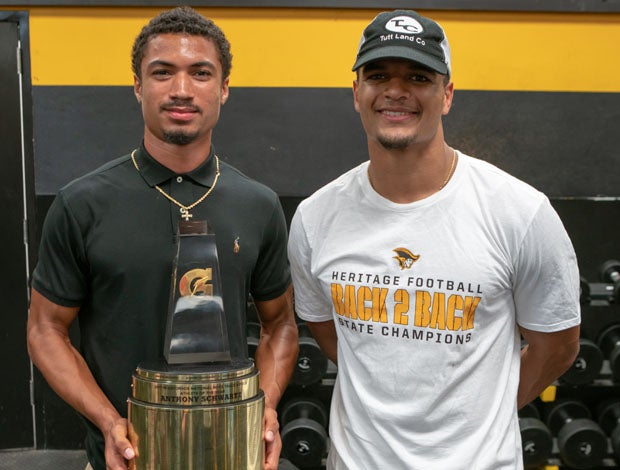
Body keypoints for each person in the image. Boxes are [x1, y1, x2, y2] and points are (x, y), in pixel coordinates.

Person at [287, 9, 580, 469]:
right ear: (356, 92)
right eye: (378, 74)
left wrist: (485, 414)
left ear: (447, 95)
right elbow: (328, 331)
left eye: (419, 77)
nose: (395, 91)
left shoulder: (520, 213)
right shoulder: (315, 218)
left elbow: (558, 345)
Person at [26, 7, 298, 470]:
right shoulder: (82, 204)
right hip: (126, 459)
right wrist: (108, 421)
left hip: (232, 457)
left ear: (224, 88)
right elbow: (45, 329)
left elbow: (281, 326)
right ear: (137, 86)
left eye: (201, 73)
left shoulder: (259, 205)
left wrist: (264, 410)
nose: (181, 89)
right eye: (162, 72)